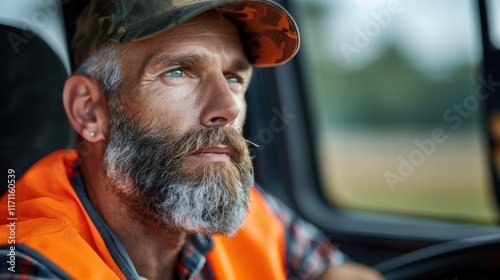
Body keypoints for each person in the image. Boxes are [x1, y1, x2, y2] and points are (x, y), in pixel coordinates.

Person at [0, 0, 383, 279]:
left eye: (234, 77)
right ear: (90, 110)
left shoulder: (237, 206)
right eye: (179, 71)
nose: (227, 108)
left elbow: (339, 272)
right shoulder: (27, 260)